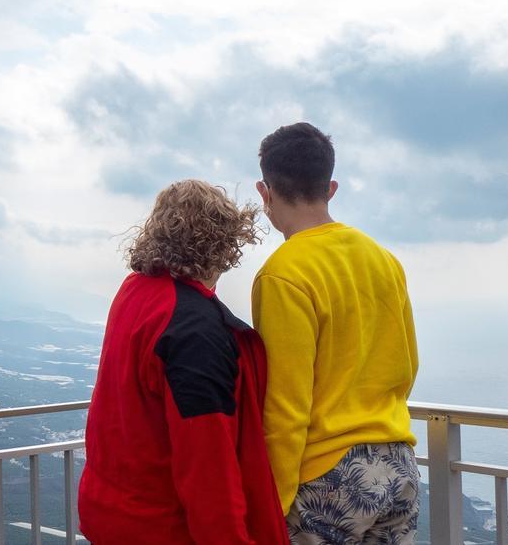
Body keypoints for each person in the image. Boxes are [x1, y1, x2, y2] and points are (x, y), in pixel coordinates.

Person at [78, 179, 287, 545]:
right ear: (223, 246)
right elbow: (208, 467)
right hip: (162, 528)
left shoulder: (135, 291)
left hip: (109, 514)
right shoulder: (193, 330)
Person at [251, 123, 421, 544]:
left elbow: (287, 405)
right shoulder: (384, 260)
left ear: (264, 192)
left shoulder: (283, 274)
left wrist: (269, 505)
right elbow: (408, 365)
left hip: (327, 476)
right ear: (331, 188)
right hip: (398, 464)